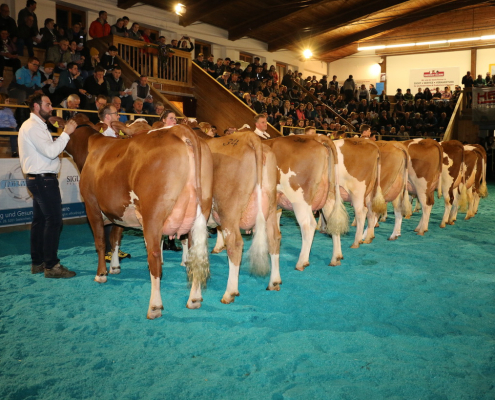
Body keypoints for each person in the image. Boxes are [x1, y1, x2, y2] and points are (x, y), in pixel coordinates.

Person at [18, 93, 77, 278]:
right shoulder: (33, 127)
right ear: (36, 106)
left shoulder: (36, 126)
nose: (51, 108)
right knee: (54, 221)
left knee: (40, 221)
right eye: (48, 104)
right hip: (43, 180)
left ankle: (38, 262)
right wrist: (66, 133)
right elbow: (51, 152)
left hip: (39, 180)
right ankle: (51, 266)